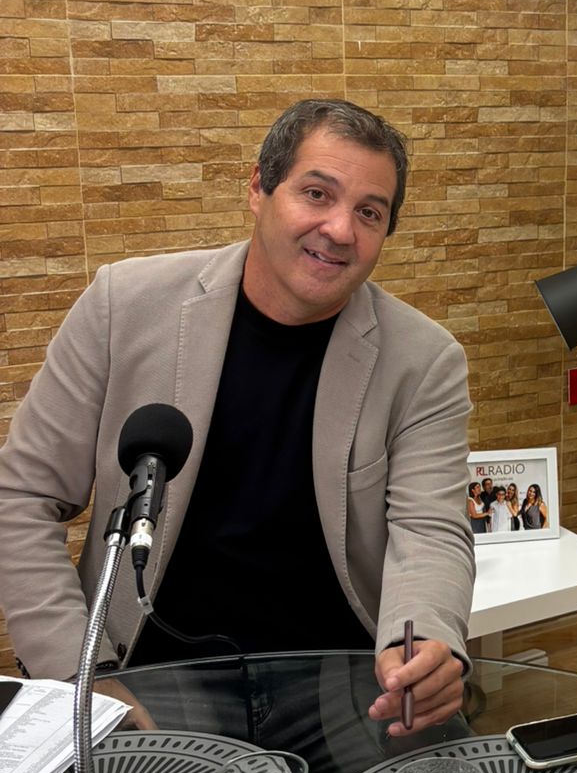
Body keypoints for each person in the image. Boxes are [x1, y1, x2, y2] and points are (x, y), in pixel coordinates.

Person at [0, 98, 473, 736]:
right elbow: (20, 497)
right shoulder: (123, 306)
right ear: (258, 189)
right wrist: (85, 678)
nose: (339, 229)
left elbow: (430, 529)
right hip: (153, 673)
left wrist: (423, 644)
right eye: (316, 193)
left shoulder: (424, 359)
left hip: (342, 679)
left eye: (370, 212)